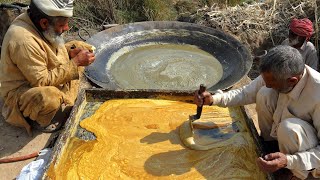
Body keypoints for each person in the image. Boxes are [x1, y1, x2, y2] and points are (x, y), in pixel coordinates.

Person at [195, 45, 320, 179]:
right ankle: (270, 146)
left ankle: (297, 175)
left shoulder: (317, 93)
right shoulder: (277, 73)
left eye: (271, 83)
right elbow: (245, 93)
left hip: (310, 158)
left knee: (288, 128)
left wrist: (289, 161)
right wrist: (214, 99)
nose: (267, 84)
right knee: (264, 94)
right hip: (287, 141)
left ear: (292, 80)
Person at [0, 0, 95, 136]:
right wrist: (74, 63)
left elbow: (49, 52)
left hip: (42, 73)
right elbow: (41, 81)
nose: (67, 28)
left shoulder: (39, 24)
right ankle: (39, 119)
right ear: (44, 23)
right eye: (62, 25)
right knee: (49, 97)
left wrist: (70, 53)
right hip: (25, 92)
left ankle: (65, 99)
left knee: (80, 47)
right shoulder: (23, 40)